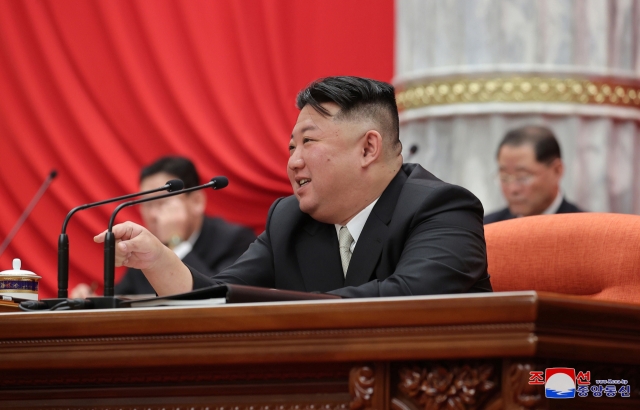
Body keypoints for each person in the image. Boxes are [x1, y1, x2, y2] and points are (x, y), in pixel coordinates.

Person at [95, 76, 492, 298]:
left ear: (369, 147)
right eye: (290, 146)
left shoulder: (443, 208)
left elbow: (408, 299)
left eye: (309, 142)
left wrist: (271, 306)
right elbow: (217, 296)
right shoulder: (289, 219)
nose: (293, 161)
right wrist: (158, 260)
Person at [73, 156, 256, 296]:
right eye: (147, 204)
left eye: (161, 202)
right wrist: (90, 299)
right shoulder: (144, 248)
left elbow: (217, 294)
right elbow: (124, 297)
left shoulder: (236, 241)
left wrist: (174, 242)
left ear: (197, 201)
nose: (153, 215)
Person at [484, 126, 582, 225]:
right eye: (504, 177)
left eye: (522, 177)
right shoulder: (489, 228)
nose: (513, 189)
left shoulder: (584, 229)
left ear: (557, 171)